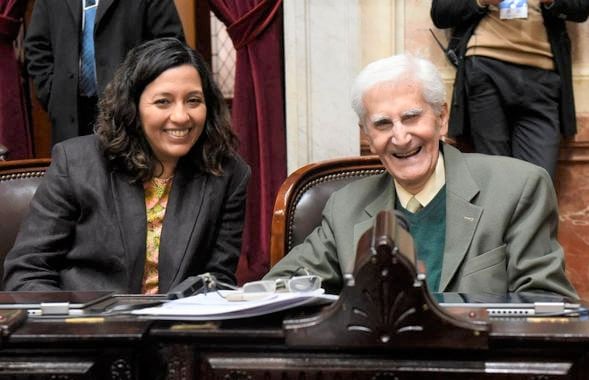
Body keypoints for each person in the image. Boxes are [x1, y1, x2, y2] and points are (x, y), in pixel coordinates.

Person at [264, 54, 577, 300]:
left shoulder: (518, 188)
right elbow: (277, 287)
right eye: (383, 124)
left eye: (411, 117)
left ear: (441, 119)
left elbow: (546, 304)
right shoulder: (345, 206)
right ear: (368, 138)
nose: (400, 137)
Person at [3, 37, 250, 294]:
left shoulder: (228, 173)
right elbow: (27, 273)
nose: (181, 116)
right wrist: (77, 324)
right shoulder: (75, 163)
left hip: (177, 327)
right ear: (132, 107)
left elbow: (217, 279)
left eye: (194, 101)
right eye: (163, 101)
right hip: (87, 325)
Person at [430, 0, 589, 180]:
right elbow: (441, 13)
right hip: (485, 68)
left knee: (538, 181)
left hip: (542, 75)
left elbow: (581, 9)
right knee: (497, 179)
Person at [25, 0, 185, 145]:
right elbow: (36, 46)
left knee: (126, 174)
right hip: (70, 113)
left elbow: (169, 46)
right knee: (75, 173)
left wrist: (143, 97)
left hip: (129, 111)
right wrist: (53, 96)